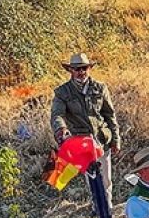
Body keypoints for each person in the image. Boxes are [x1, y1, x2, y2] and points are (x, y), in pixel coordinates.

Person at [50, 53, 120, 205]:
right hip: (82, 143)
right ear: (71, 71)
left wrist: (116, 139)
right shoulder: (62, 92)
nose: (81, 72)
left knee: (106, 179)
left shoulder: (100, 88)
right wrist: (61, 129)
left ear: (89, 68)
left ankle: (106, 208)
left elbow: (109, 114)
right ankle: (97, 206)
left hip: (102, 139)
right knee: (92, 178)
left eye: (84, 68)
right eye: (77, 69)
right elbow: (57, 115)